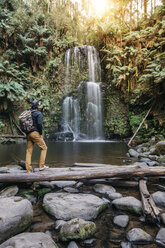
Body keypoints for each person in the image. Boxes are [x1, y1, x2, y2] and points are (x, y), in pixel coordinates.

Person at [25, 100, 48, 172]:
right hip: (35, 133)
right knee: (44, 148)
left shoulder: (28, 113)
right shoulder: (38, 113)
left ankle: (28, 169)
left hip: (28, 133)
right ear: (37, 106)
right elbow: (39, 124)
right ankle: (41, 166)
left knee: (29, 151)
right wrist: (40, 133)